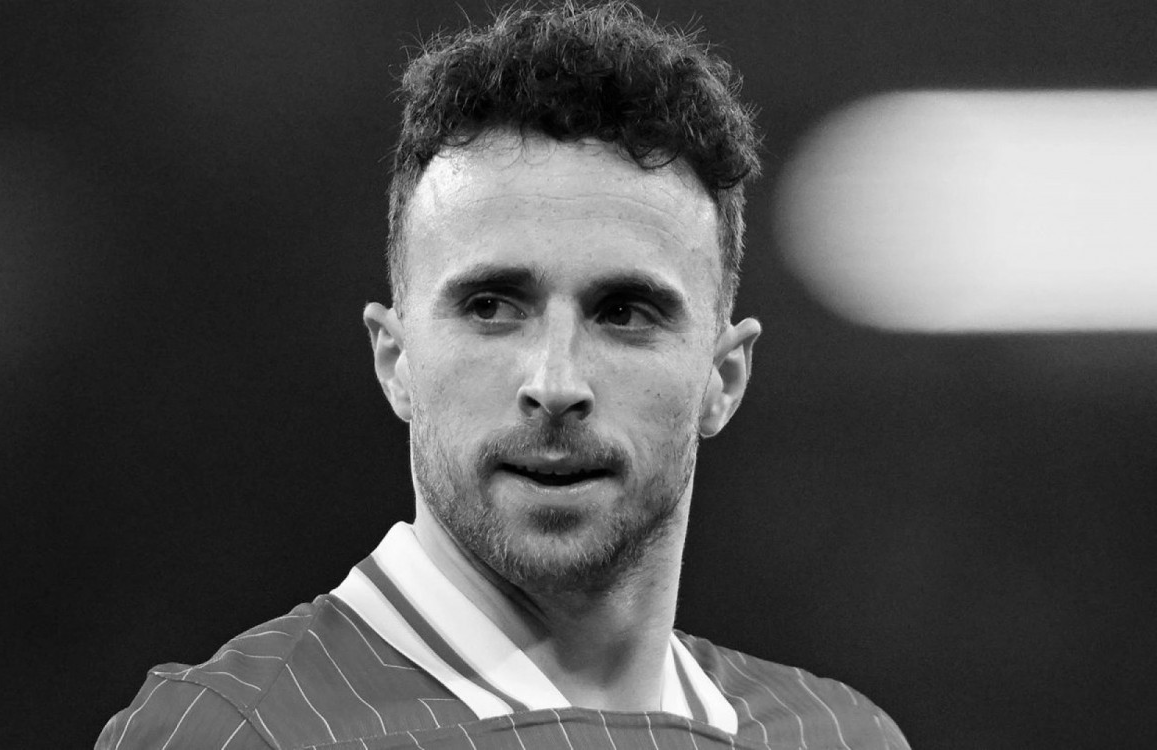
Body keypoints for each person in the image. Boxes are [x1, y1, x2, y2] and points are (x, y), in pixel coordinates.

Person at [97, 2, 911, 748]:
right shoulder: (236, 733)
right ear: (395, 359)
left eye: (624, 313)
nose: (555, 383)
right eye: (491, 306)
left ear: (723, 378)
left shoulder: (840, 738)